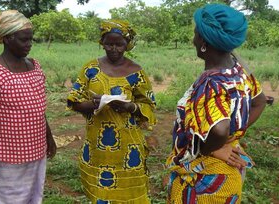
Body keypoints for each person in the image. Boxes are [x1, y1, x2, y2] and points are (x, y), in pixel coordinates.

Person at [166, 4, 267, 203]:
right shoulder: (239, 69)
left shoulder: (211, 83)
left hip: (205, 177)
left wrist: (212, 147)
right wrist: (232, 136)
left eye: (196, 33)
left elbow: (219, 129)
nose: (193, 39)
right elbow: (260, 102)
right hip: (228, 174)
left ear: (203, 40)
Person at [67, 20, 156, 203]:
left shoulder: (136, 73)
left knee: (130, 194)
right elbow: (74, 101)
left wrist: (129, 106)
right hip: (96, 147)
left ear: (127, 45)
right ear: (102, 43)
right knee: (100, 193)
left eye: (119, 44)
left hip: (128, 147)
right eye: (109, 44)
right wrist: (94, 104)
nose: (114, 48)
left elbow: (148, 105)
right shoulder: (91, 69)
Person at [0, 10, 56, 203]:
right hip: (5, 156)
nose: (29, 44)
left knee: (30, 195)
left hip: (34, 150)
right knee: (4, 198)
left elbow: (38, 107)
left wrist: (48, 136)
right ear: (7, 39)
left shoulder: (34, 66)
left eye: (30, 39)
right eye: (24, 40)